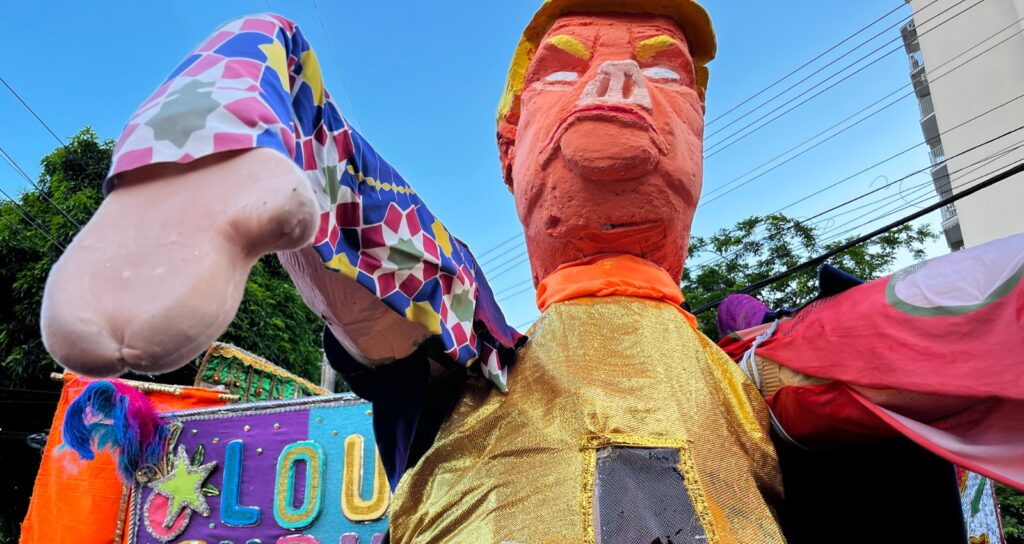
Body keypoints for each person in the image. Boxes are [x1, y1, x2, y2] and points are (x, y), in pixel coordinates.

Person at [37, 1, 1024, 542]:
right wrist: (203, 160)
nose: (620, 79)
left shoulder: (757, 376)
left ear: (698, 139)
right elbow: (291, 92)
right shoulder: (476, 358)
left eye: (663, 65)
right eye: (565, 63)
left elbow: (964, 320)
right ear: (511, 144)